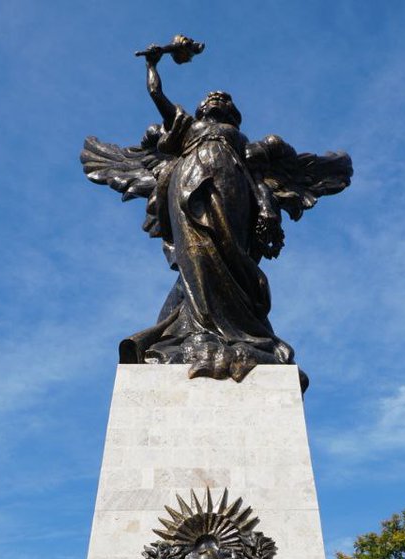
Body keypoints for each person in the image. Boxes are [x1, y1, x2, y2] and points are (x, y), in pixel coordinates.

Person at [81, 41, 351, 390]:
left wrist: (267, 207)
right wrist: (153, 64)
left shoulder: (244, 145)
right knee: (197, 261)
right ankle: (196, 331)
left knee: (230, 260)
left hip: (232, 195)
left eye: (225, 100)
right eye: (212, 98)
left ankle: (237, 332)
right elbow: (157, 95)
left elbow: (256, 180)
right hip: (187, 193)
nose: (217, 99)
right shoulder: (185, 129)